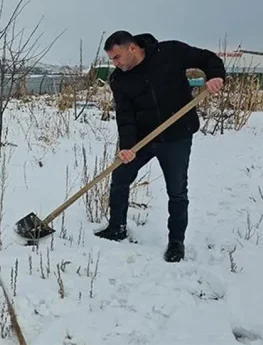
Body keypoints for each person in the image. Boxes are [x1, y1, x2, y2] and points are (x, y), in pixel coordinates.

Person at [94, 30, 226, 263]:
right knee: (120, 177)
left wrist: (215, 75)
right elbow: (125, 116)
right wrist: (127, 147)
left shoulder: (170, 52)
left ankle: (176, 242)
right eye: (112, 60)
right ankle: (117, 227)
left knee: (176, 191)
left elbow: (208, 58)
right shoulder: (119, 79)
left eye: (117, 58)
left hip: (177, 137)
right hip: (144, 139)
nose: (115, 64)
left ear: (132, 48)